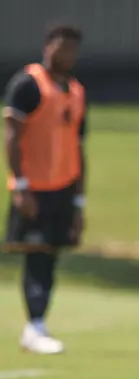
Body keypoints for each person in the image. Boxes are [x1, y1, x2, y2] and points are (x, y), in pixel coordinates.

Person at [2, 24, 87, 355]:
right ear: (47, 46)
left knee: (50, 254)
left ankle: (37, 323)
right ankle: (34, 325)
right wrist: (20, 185)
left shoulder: (76, 90)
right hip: (34, 186)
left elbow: (79, 147)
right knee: (35, 254)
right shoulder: (28, 84)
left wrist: (80, 199)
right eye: (61, 47)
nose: (65, 55)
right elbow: (11, 135)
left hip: (64, 186)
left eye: (71, 49)